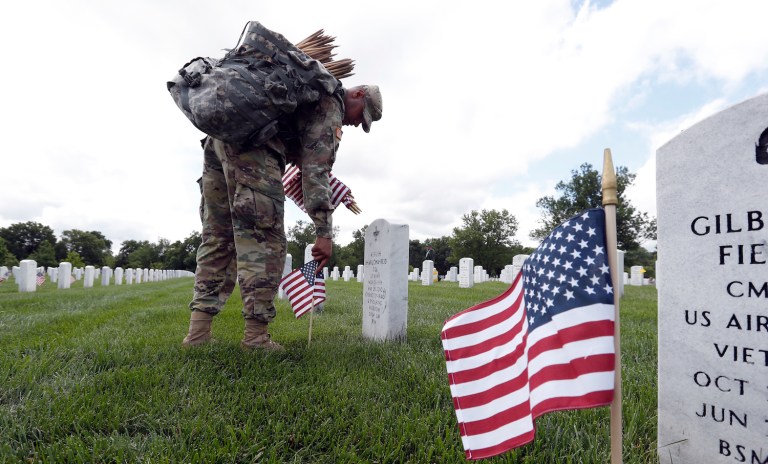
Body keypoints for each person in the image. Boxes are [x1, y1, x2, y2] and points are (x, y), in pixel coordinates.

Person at [182, 85, 383, 349]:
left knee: (218, 239)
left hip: (219, 141)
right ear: (357, 95)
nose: (356, 123)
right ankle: (256, 338)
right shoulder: (330, 104)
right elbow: (316, 171)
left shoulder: (306, 93)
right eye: (362, 116)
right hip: (255, 150)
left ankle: (197, 335)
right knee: (266, 243)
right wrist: (324, 233)